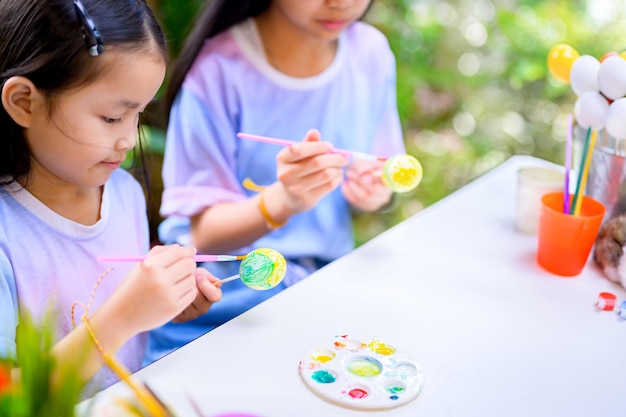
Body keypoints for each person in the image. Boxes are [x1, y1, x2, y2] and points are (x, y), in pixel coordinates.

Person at [150, 0, 406, 362]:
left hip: (325, 287)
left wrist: (375, 193)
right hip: (228, 298)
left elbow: (382, 171)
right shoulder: (217, 73)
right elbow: (202, 234)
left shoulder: (370, 53)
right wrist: (282, 202)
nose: (342, 3)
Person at [0, 0, 222, 394]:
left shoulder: (124, 194)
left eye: (139, 114)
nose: (127, 139)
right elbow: (10, 396)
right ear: (23, 102)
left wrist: (163, 305)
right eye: (111, 117)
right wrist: (125, 316)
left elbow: (123, 336)